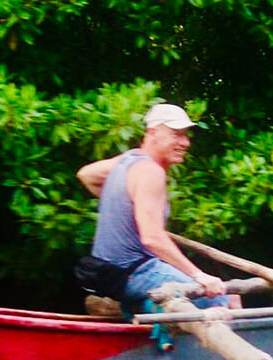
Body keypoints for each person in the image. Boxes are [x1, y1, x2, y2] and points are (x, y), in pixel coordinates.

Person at [77, 103, 236, 309]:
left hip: (106, 273)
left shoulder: (129, 158)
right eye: (176, 134)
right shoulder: (151, 171)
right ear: (152, 132)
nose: (185, 142)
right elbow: (152, 238)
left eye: (186, 135)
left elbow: (86, 175)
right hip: (133, 272)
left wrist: (126, 208)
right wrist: (200, 276)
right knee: (227, 299)